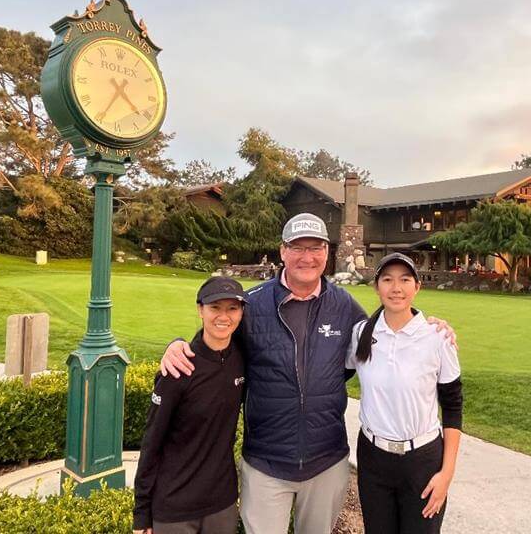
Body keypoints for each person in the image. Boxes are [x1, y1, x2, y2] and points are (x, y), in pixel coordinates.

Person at [159, 213, 456, 534]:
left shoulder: (344, 306)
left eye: (315, 248)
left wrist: (429, 325)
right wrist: (179, 344)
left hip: (325, 463)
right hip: (265, 464)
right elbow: (215, 340)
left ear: (326, 254)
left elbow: (389, 327)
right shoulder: (252, 304)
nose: (307, 257)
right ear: (282, 251)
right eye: (297, 247)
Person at [348, 253, 462, 534]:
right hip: (373, 458)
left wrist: (446, 474)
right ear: (377, 287)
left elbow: (453, 407)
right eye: (387, 280)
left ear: (417, 286)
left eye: (404, 280)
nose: (395, 288)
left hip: (422, 460)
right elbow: (335, 371)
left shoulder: (437, 337)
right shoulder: (361, 333)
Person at [134, 277, 248, 534]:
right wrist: (142, 513)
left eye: (232, 308)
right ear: (200, 310)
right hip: (175, 507)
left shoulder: (242, 358)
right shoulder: (177, 368)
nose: (224, 316)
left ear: (241, 313)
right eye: (215, 307)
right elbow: (152, 441)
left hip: (222, 502)